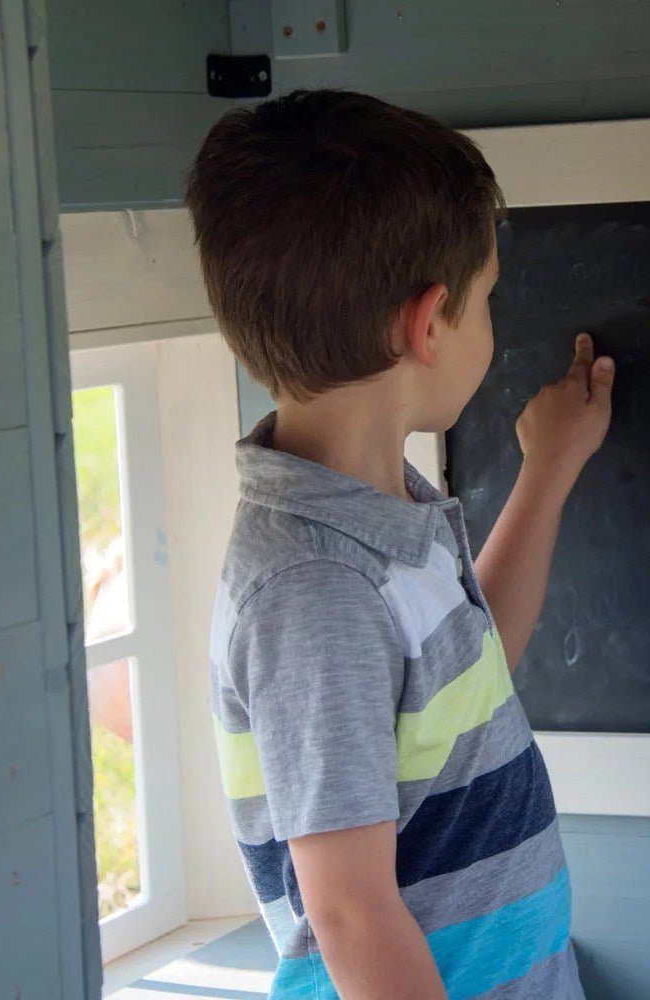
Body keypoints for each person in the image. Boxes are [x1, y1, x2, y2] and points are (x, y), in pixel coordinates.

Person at [186, 89, 614, 1000]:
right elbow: (350, 914)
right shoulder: (314, 588)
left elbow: (469, 675)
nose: (492, 321)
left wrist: (547, 471)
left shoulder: (379, 513)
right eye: (487, 299)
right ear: (427, 324)